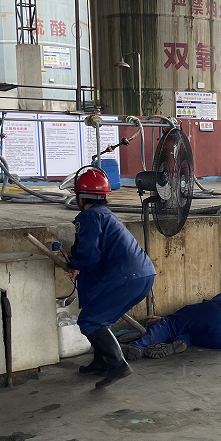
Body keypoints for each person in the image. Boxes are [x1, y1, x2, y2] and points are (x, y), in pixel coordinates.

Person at [61, 166, 156, 389]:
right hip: (142, 275)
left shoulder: (89, 216)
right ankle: (101, 362)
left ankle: (118, 365)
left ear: (80, 196)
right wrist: (79, 264)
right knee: (98, 317)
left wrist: (74, 263)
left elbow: (89, 253)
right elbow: (97, 252)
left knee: (90, 321)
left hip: (126, 277)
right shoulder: (105, 215)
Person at [121, 291, 221, 360]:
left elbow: (213, 302)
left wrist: (175, 318)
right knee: (192, 335)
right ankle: (182, 341)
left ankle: (137, 347)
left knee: (172, 323)